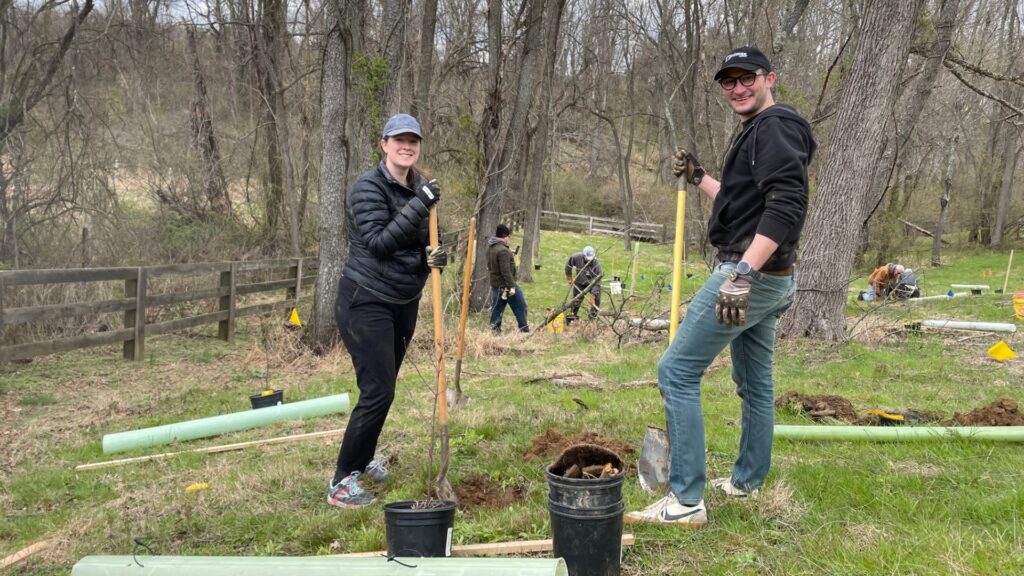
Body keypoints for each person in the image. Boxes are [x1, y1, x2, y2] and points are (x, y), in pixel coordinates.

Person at [627, 46, 816, 527]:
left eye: (747, 77)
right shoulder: (759, 130)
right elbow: (742, 201)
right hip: (773, 279)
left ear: (770, 78)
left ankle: (685, 501)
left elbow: (786, 205)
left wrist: (743, 273)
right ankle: (747, 483)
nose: (737, 88)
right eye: (728, 82)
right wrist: (701, 179)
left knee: (676, 371)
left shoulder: (775, 127)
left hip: (750, 277)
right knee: (755, 384)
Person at [327, 113, 447, 508]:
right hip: (366, 301)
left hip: (402, 302)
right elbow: (379, 243)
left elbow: (425, 241)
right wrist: (420, 204)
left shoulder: (420, 187)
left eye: (413, 141)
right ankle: (341, 480)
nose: (406, 147)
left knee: (384, 388)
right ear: (384, 144)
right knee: (377, 390)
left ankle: (362, 460)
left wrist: (434, 258)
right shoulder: (367, 188)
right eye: (399, 140)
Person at [487, 224, 530, 333]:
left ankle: (494, 331)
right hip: (506, 285)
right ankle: (524, 330)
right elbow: (505, 271)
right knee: (521, 306)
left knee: (497, 309)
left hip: (496, 284)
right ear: (504, 236)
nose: (508, 239)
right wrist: (512, 286)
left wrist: (509, 254)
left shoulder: (491, 247)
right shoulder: (503, 251)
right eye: (508, 236)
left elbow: (497, 261)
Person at [564, 246, 603, 321]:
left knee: (596, 300)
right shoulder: (576, 257)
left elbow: (598, 280)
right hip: (580, 282)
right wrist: (569, 276)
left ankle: (592, 318)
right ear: (583, 255)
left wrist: (593, 295)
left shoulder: (596, 264)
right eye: (587, 258)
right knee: (576, 300)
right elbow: (568, 265)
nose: (589, 261)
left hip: (592, 284)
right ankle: (572, 317)